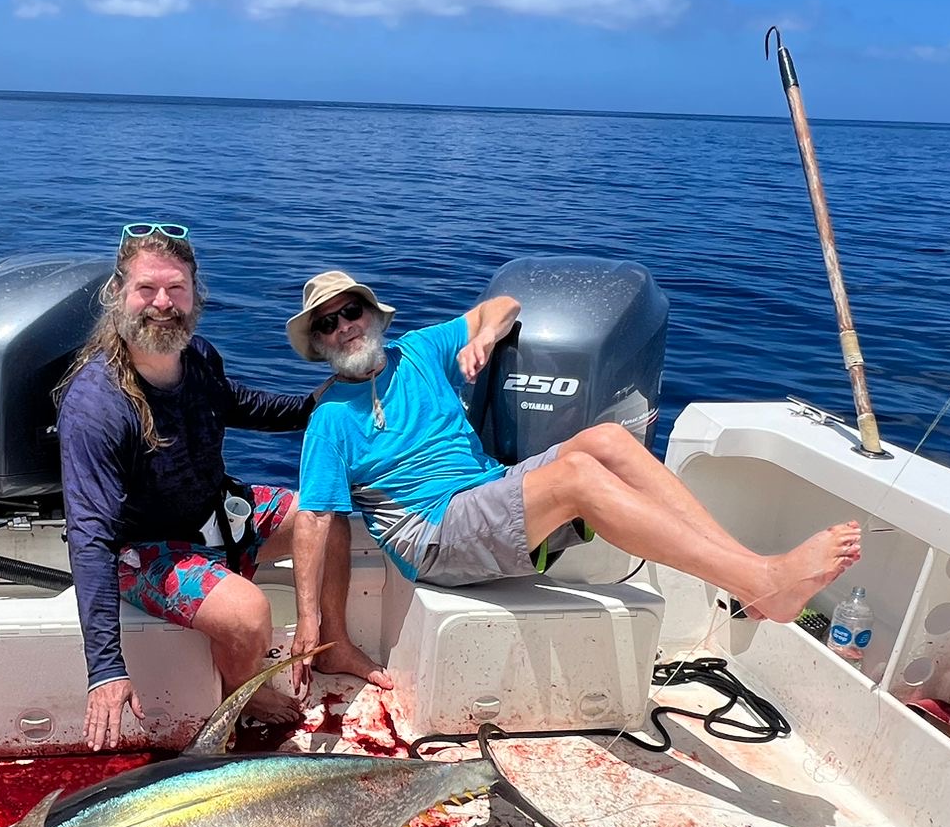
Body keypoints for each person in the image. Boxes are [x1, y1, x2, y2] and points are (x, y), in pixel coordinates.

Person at [284, 269, 860, 677]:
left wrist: (483, 336)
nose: (344, 327)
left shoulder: (419, 350)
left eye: (350, 311)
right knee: (576, 477)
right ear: (318, 345)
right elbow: (315, 519)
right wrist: (316, 625)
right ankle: (762, 579)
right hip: (434, 533)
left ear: (373, 314)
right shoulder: (330, 418)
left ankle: (750, 583)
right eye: (327, 324)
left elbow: (503, 305)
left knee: (607, 440)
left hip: (484, 492)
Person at [57, 227, 389, 751]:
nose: (162, 304)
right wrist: (105, 669)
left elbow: (235, 403)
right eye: (147, 289)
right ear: (118, 293)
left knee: (321, 513)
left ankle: (334, 645)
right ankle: (240, 693)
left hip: (216, 512)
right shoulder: (97, 404)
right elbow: (90, 536)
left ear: (195, 295)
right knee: (249, 613)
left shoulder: (199, 357)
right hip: (146, 550)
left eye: (177, 289)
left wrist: (316, 409)